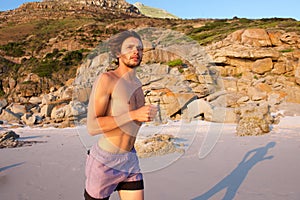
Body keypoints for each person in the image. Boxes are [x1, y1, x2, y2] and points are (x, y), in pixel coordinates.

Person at [84, 30, 158, 200]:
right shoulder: (107, 79)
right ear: (118, 53)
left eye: (139, 48)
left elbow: (133, 119)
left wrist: (145, 115)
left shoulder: (137, 84)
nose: (136, 52)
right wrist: (133, 114)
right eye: (130, 47)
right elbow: (92, 127)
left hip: (130, 159)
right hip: (105, 161)